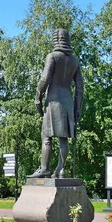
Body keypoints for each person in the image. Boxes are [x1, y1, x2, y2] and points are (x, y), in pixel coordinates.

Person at [28, 28, 83, 179]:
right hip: (68, 102)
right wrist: (78, 107)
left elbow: (44, 79)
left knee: (46, 136)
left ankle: (45, 168)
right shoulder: (74, 61)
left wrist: (38, 96)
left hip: (53, 101)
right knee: (63, 138)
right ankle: (61, 169)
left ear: (56, 40)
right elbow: (79, 87)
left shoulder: (52, 56)